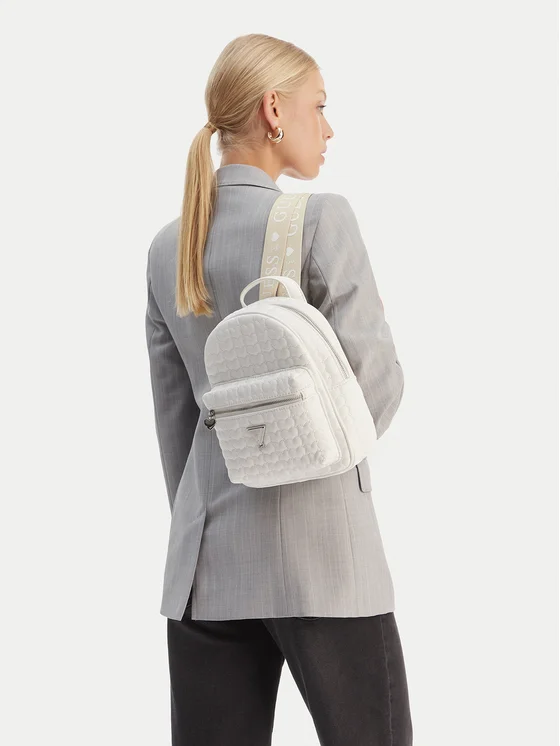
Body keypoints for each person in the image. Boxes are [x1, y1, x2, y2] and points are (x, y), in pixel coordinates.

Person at [145, 32, 413, 746]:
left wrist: (215, 510)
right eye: (318, 106)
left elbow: (176, 423)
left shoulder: (169, 246)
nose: (328, 126)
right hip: (324, 566)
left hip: (205, 569)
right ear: (273, 110)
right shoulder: (321, 219)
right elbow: (379, 385)